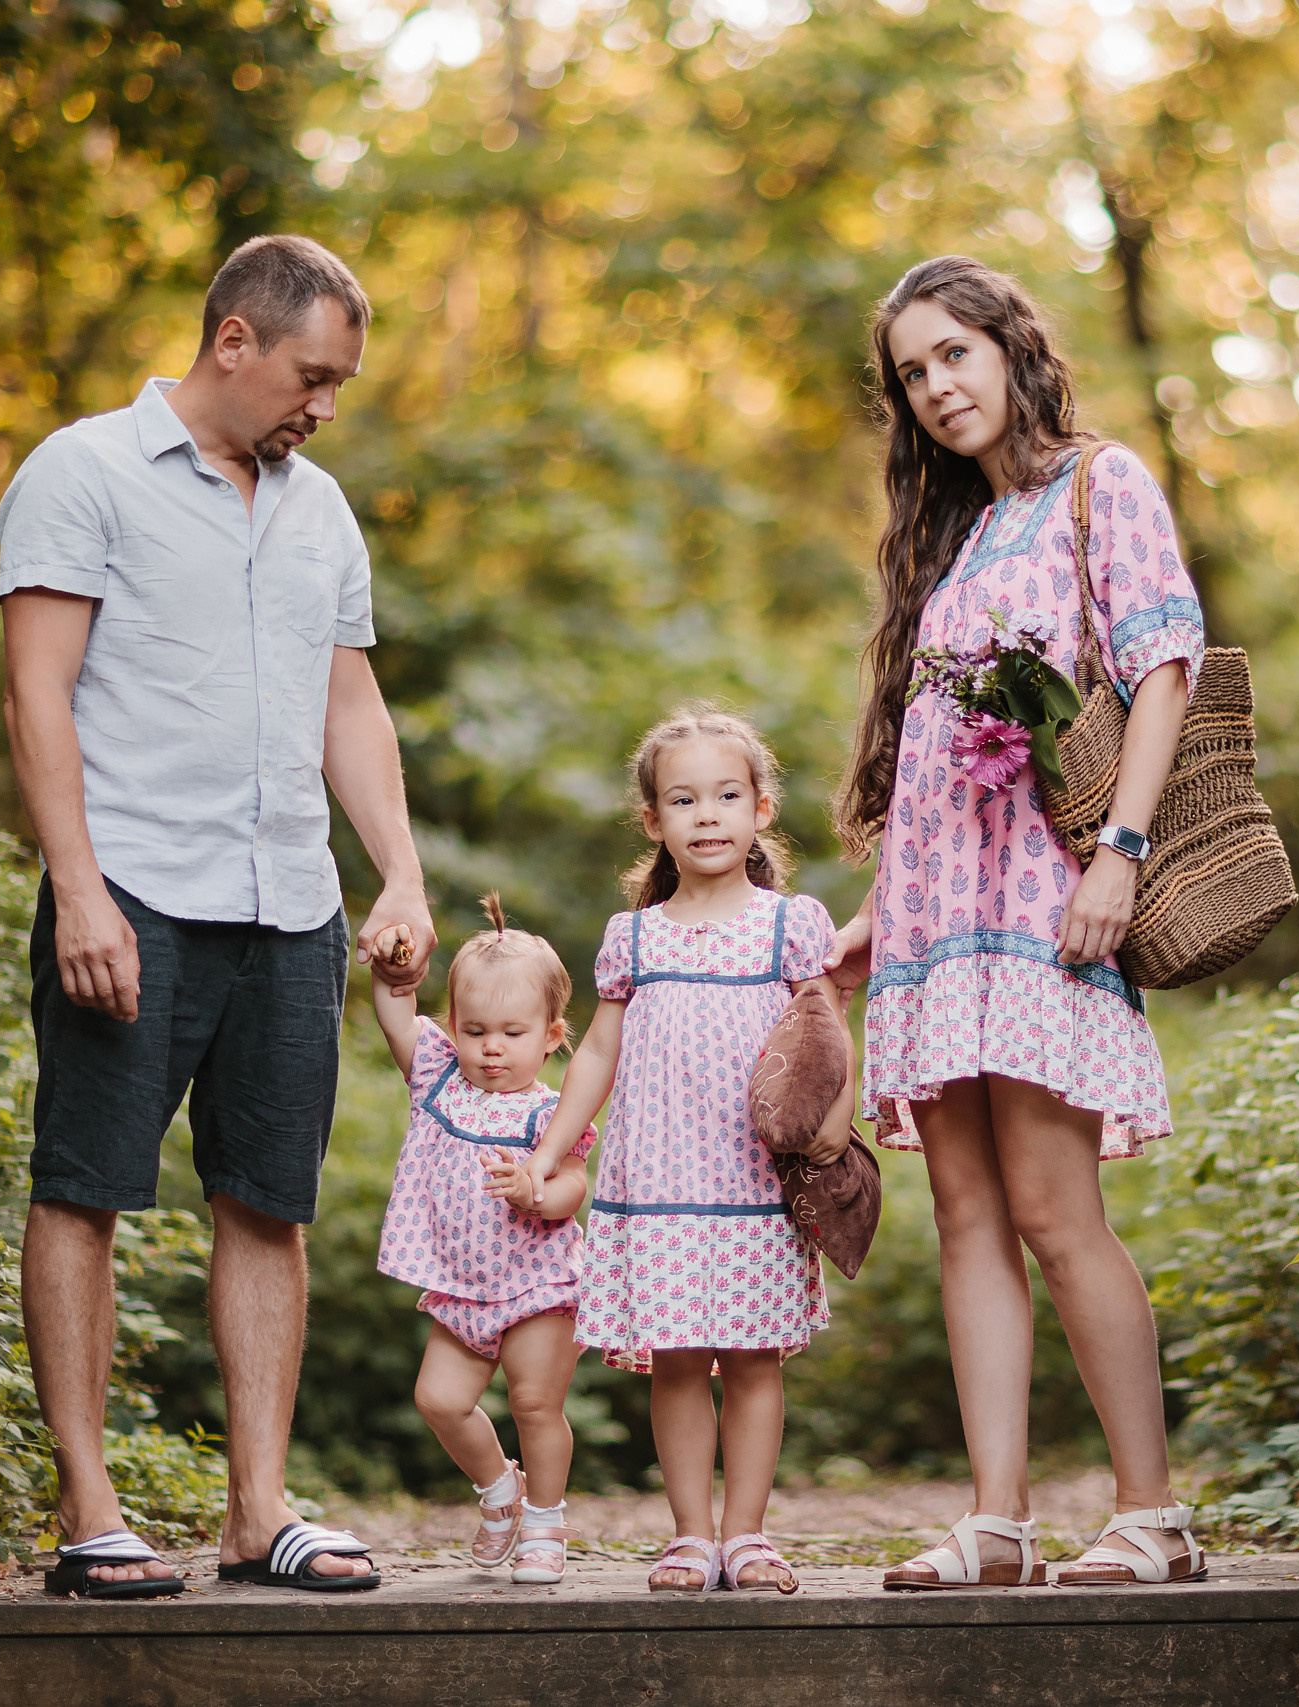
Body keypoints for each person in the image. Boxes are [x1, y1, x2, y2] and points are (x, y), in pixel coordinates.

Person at [0, 234, 435, 1597]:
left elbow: (346, 701)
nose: (324, 402)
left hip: (287, 902)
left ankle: (257, 1509)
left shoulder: (321, 508)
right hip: (131, 888)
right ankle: (89, 1509)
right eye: (312, 373)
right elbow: (38, 692)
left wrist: (400, 872)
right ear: (233, 341)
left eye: (341, 382)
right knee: (86, 1187)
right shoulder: (82, 471)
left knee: (268, 1203)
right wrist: (79, 886)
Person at [826, 256, 1207, 1589]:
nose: (936, 387)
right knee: (972, 1216)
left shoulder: (1102, 484)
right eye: (912, 374)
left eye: (953, 355)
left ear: (1009, 349)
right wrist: (881, 911)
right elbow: (942, 753)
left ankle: (1150, 1510)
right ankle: (996, 1517)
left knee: (1054, 1207)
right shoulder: (962, 536)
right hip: (938, 927)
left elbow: (1163, 666)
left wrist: (1125, 849)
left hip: (1052, 905)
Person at [510, 705, 855, 1594]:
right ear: (654, 821)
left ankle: (747, 1534)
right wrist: (552, 1150)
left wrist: (835, 1130)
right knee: (676, 1361)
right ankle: (691, 1536)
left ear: (761, 809)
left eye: (727, 794)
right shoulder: (635, 936)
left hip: (753, 1184)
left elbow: (827, 1035)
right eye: (685, 798)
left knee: (751, 1359)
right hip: (657, 1178)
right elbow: (594, 1051)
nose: (708, 814)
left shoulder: (792, 924)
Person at [368, 898, 592, 1583]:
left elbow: (574, 1187)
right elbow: (394, 1009)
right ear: (455, 1028)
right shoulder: (436, 1079)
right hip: (461, 1284)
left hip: (536, 1283)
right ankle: (501, 1490)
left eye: (512, 1032)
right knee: (438, 1399)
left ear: (550, 1035)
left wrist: (536, 1192)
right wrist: (391, 966)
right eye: (475, 1029)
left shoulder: (551, 1111)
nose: (491, 1047)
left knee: (533, 1402)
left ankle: (547, 1524)